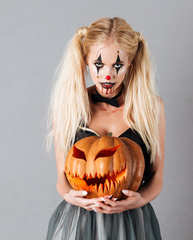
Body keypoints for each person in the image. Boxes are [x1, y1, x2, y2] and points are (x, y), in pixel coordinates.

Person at [44, 17, 165, 240]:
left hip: (132, 223)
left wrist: (140, 200)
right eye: (98, 65)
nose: (107, 75)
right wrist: (72, 197)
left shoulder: (151, 107)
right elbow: (62, 177)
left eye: (117, 65)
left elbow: (157, 176)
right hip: (80, 223)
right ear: (85, 62)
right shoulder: (68, 107)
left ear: (131, 63)